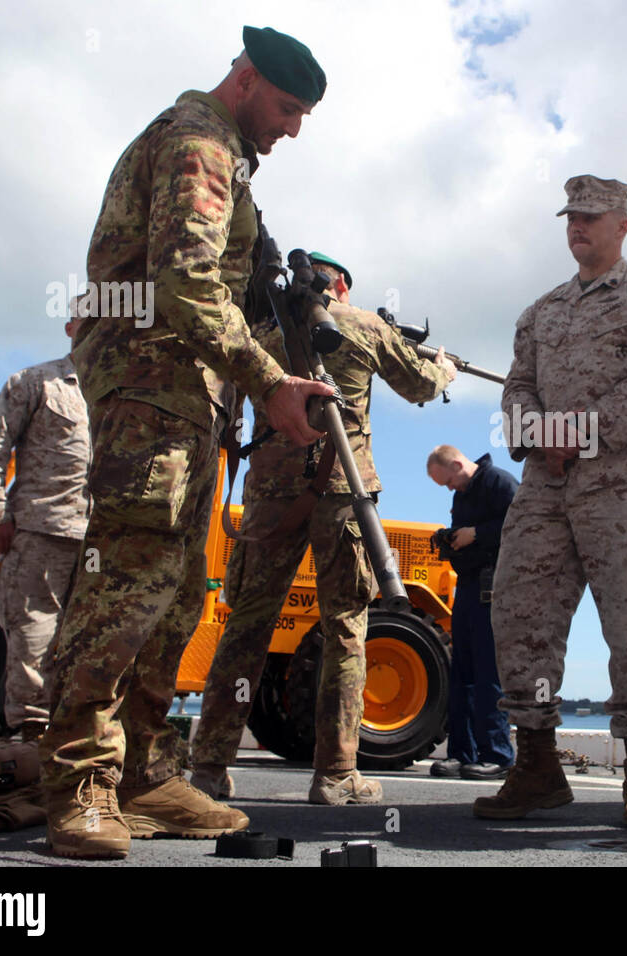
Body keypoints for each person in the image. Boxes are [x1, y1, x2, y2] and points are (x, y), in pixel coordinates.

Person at [39, 25, 332, 860]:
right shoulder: (200, 145)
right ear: (243, 81)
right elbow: (185, 277)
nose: (292, 129)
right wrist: (267, 382)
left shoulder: (224, 155)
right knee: (128, 583)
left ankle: (142, 774)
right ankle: (81, 784)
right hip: (149, 388)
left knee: (177, 591)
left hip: (186, 393)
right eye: (285, 107)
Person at [191, 252, 455, 805]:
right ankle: (336, 774)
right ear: (339, 287)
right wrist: (445, 368)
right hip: (342, 491)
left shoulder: (260, 330)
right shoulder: (362, 326)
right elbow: (420, 385)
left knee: (247, 626)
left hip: (268, 497)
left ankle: (210, 768)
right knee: (345, 627)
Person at [475, 175, 627, 827]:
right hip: (545, 487)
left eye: (593, 217)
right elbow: (517, 387)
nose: (579, 226)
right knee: (520, 615)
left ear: (622, 225)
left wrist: (580, 432)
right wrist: (538, 434)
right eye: (572, 216)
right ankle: (537, 766)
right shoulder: (541, 311)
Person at [0, 308, 90, 743]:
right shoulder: (36, 383)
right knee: (34, 638)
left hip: (104, 543)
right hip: (43, 532)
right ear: (70, 327)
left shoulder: (120, 396)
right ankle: (29, 742)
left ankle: (77, 746)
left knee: (91, 646)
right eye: (87, 317)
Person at [425, 445, 517, 779]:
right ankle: (463, 753)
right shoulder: (463, 494)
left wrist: (476, 533)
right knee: (461, 672)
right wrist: (450, 539)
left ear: (456, 463)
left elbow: (522, 525)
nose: (449, 488)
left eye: (448, 480)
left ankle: (498, 755)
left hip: (493, 589)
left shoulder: (500, 483)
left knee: (488, 672)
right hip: (467, 587)